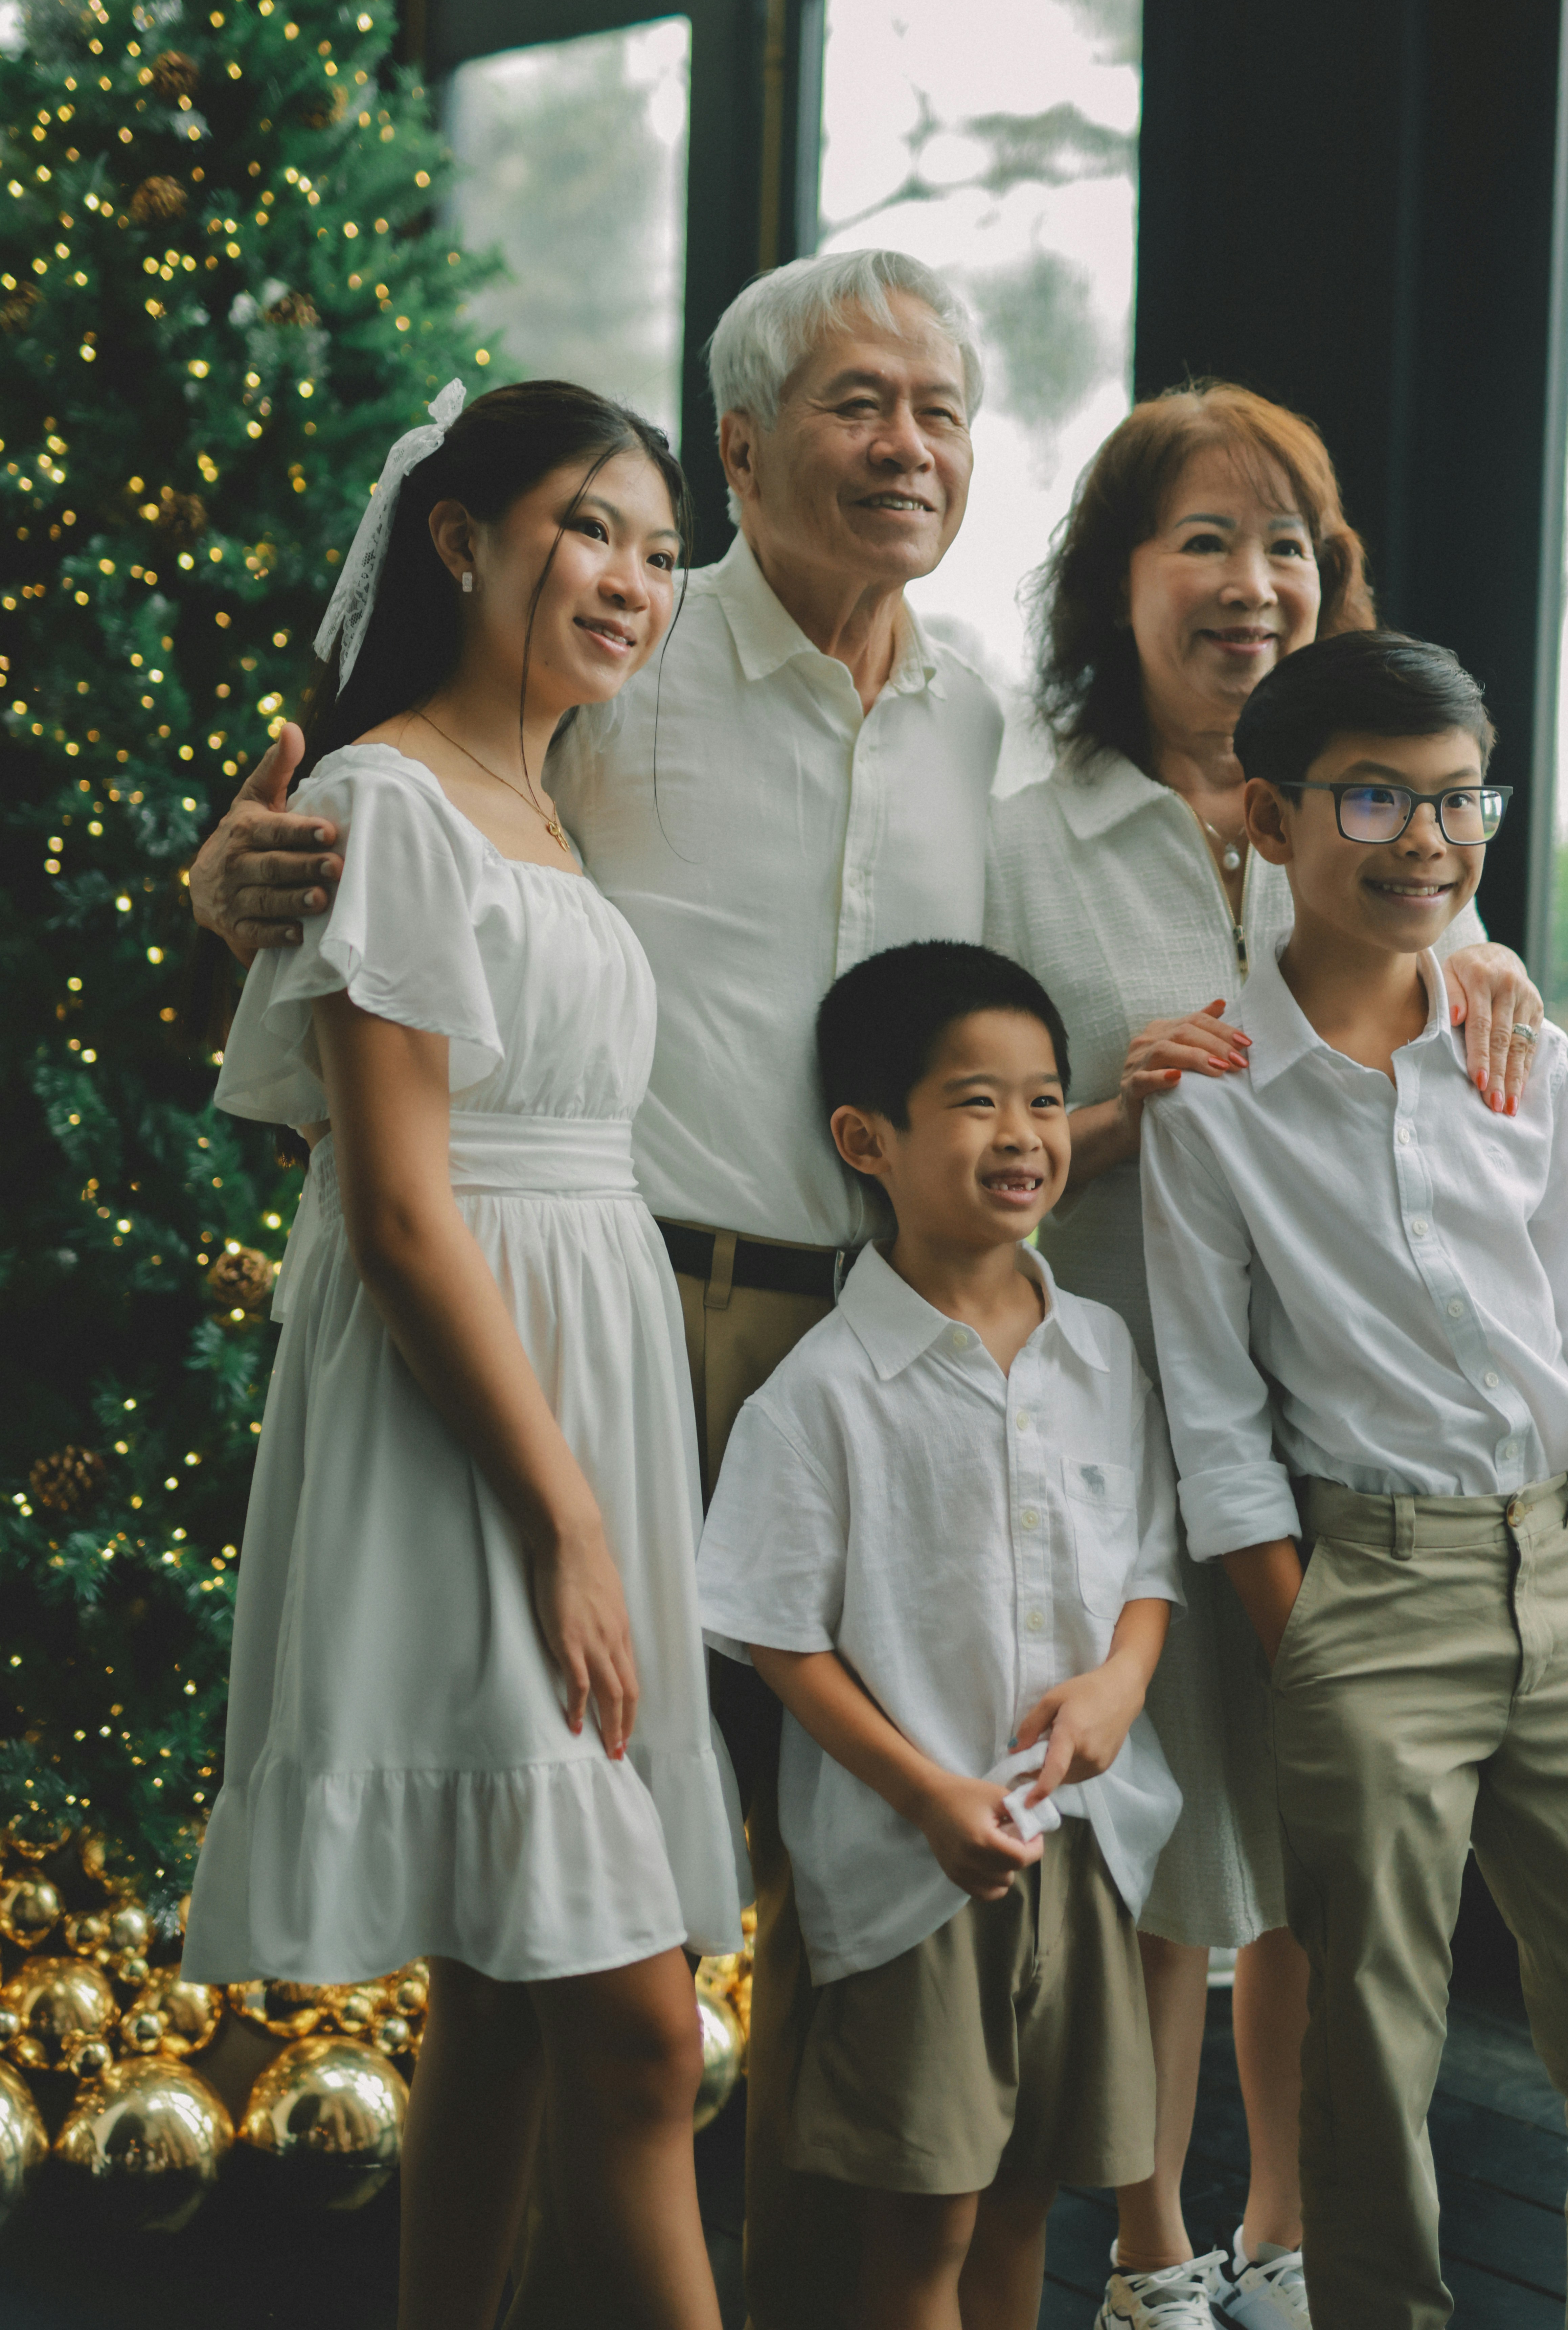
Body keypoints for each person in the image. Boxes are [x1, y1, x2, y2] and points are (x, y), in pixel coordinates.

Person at [186, 251, 1004, 2330]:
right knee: (607, 1984)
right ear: (748, 445)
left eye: (938, 405)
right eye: (853, 401)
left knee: (705, 1922)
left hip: (814, 1347)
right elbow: (375, 967)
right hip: (591, 1325)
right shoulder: (590, 711)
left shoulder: (965, 715)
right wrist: (235, 884)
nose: (902, 441)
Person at [180, 380, 748, 2330]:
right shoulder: (387, 800)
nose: (629, 580)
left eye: (662, 553)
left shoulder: (550, 802)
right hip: (472, 1406)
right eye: (589, 528)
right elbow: (403, 1213)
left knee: (512, 1990)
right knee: (637, 2036)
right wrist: (564, 1514)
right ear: (460, 540)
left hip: (585, 1365)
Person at [986, 382, 1545, 2330]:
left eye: (1286, 544)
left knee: (1317, 1840)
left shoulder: (1366, 805)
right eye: (1201, 543)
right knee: (1150, 1827)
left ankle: (1294, 2232)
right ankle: (1148, 2252)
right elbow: (970, 1132)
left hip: (1343, 1412)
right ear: (1113, 581)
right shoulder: (1027, 826)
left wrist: (1478, 953)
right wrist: (1105, 1113)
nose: (1251, 584)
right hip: (1112, 1395)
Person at [1139, 628, 1568, 2330]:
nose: (1427, 840)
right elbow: (1212, 1409)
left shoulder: (1520, 1047)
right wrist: (1302, 1629)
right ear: (1269, 815)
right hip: (1365, 1593)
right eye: (1377, 797)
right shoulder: (1213, 1100)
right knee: (1368, 2055)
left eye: (1463, 800)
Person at [696, 942, 1184, 2330]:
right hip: (915, 1879)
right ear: (870, 1139)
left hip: (1080, 1853)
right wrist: (927, 1795)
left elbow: (1149, 1560)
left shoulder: (1100, 1351)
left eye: (1045, 1098)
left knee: (1028, 2198)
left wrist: (1119, 1689)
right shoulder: (826, 1392)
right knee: (926, 2224)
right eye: (978, 1101)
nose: (1026, 1135)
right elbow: (778, 1635)